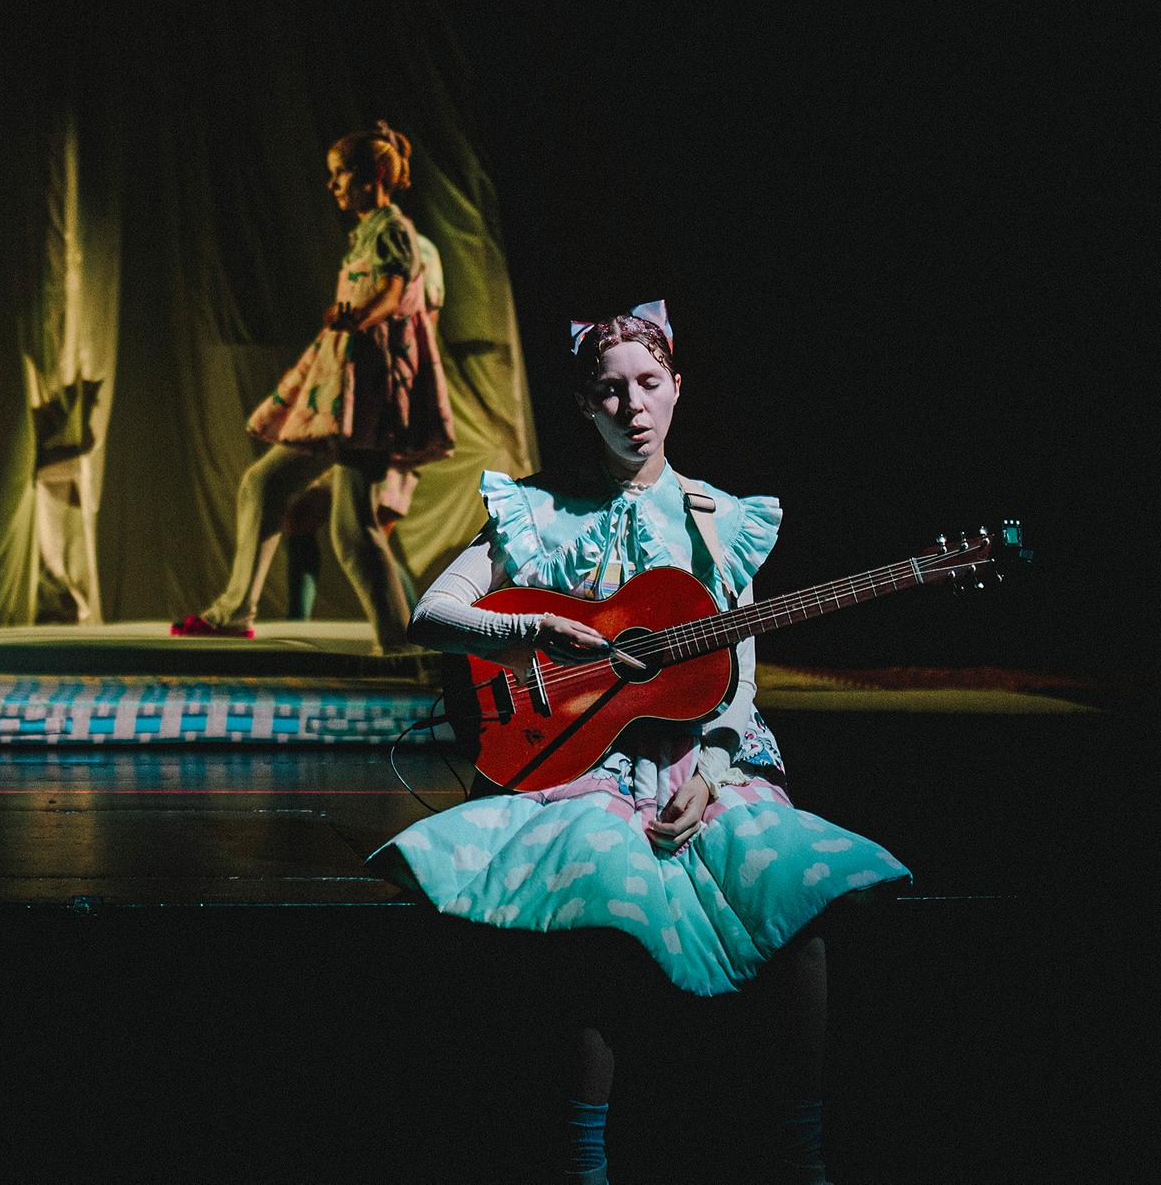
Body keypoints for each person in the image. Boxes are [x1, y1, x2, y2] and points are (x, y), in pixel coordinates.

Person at [377, 302, 909, 1184]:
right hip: (581, 762)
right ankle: (582, 1160)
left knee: (796, 904)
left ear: (675, 390)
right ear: (584, 406)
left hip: (696, 759)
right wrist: (535, 629)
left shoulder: (716, 521)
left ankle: (801, 1157)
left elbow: (738, 666)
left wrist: (717, 765)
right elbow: (430, 613)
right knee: (602, 905)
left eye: (649, 385)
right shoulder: (539, 512)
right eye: (609, 391)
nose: (633, 407)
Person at [171, 121, 453, 651]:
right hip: (346, 391)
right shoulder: (371, 232)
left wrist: (359, 318)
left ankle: (401, 646)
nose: (334, 186)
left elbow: (396, 294)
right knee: (269, 486)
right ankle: (238, 609)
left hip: (368, 398)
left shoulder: (394, 231)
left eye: (341, 174)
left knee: (354, 529)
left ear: (372, 178)